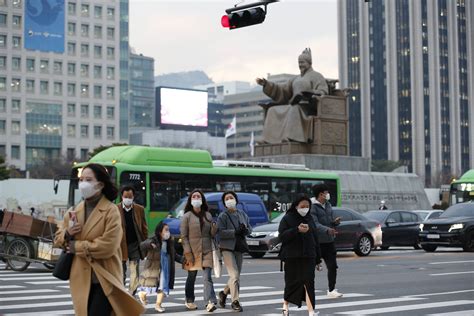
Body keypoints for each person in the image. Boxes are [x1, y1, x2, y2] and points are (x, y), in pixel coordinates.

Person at [54, 163, 144, 316]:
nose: (83, 184)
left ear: (100, 184)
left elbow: (108, 246)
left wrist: (77, 247)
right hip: (81, 279)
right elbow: (57, 239)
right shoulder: (74, 211)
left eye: (88, 180)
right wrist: (67, 234)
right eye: (81, 179)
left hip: (105, 278)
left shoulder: (111, 211)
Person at [256, 48, 329, 144]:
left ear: (309, 63)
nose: (300, 65)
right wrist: (267, 84)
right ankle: (268, 139)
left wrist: (311, 93)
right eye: (299, 63)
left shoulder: (317, 76)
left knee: (295, 109)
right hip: (294, 104)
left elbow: (323, 91)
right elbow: (282, 90)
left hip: (308, 107)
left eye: (302, 62)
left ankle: (291, 137)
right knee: (272, 110)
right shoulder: (295, 79)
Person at [279, 195, 322, 316]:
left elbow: (315, 239)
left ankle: (311, 311)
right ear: (296, 206)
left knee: (309, 283)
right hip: (292, 257)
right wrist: (296, 230)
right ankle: (285, 306)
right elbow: (282, 236)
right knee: (291, 283)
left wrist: (318, 259)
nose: (305, 209)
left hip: (309, 256)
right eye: (302, 206)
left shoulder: (310, 218)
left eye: (307, 206)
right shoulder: (287, 218)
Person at [180, 189, 218, 312]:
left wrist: (214, 228)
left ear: (202, 200)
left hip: (207, 250)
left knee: (207, 277)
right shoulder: (186, 216)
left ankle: (210, 301)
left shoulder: (207, 214)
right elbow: (184, 237)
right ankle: (189, 299)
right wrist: (188, 253)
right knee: (192, 277)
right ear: (191, 200)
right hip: (192, 251)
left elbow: (212, 234)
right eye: (194, 197)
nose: (196, 198)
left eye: (198, 196)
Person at [217, 191, 252, 312]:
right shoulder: (223, 216)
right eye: (227, 199)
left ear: (236, 200)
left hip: (239, 247)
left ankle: (223, 293)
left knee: (235, 277)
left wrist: (244, 230)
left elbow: (250, 229)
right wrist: (234, 232)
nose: (229, 200)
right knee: (235, 275)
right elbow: (220, 232)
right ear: (224, 203)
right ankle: (235, 301)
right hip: (227, 248)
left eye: (231, 198)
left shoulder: (242, 214)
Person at [136, 221, 181, 313]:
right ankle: (142, 294)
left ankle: (158, 305)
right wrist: (149, 244)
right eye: (166, 230)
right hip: (154, 267)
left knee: (163, 287)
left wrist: (183, 260)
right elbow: (142, 245)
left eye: (168, 230)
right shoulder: (153, 240)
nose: (168, 232)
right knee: (149, 286)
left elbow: (174, 255)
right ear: (160, 232)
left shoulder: (169, 242)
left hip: (165, 268)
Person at [310, 183, 343, 298]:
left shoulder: (328, 205)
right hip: (316, 243)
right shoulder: (312, 206)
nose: (328, 194)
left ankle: (331, 290)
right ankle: (305, 290)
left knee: (333, 266)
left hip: (329, 242)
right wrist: (327, 229)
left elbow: (329, 221)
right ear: (320, 194)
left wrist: (335, 223)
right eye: (326, 192)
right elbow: (314, 224)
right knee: (309, 268)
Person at [118, 186, 148, 295]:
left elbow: (144, 227)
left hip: (135, 245)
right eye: (125, 196)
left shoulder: (139, 209)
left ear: (133, 197)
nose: (127, 199)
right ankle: (121, 293)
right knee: (121, 272)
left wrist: (145, 244)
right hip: (120, 246)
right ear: (122, 196)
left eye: (130, 196)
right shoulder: (115, 209)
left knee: (134, 271)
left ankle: (132, 293)